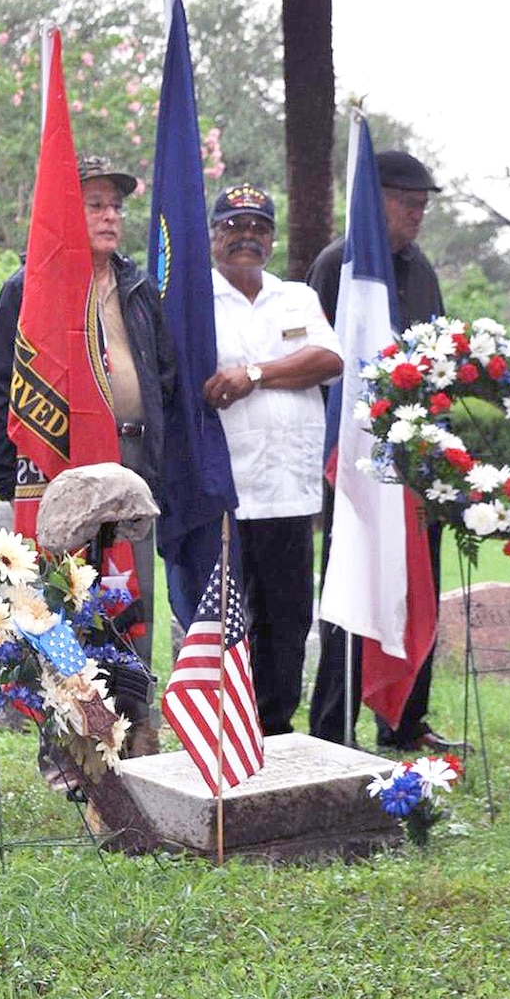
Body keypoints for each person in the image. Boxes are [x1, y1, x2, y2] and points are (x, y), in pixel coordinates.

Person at [0, 155, 174, 756]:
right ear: (67, 211)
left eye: (116, 205)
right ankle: (72, 745)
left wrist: (159, 466)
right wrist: (13, 481)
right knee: (63, 609)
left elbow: (163, 375)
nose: (111, 215)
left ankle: (136, 732)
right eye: (96, 204)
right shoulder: (30, 285)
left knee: (130, 600)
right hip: (59, 474)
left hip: (132, 465)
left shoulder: (138, 287)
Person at [307, 150, 457, 751]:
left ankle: (404, 723)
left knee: (417, 586)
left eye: (423, 204)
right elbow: (322, 363)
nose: (417, 213)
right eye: (406, 201)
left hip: (417, 463)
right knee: (351, 589)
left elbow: (439, 357)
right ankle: (333, 728)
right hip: (354, 462)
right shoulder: (337, 264)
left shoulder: (421, 269)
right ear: (374, 200)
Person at [203, 183, 342, 736]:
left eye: (259, 227)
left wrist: (255, 374)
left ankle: (278, 727)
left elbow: (327, 358)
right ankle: (230, 729)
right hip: (230, 484)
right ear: (213, 236)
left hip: (290, 485)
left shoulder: (295, 297)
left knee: (289, 619)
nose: (247, 237)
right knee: (233, 617)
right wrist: (281, 367)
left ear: (273, 238)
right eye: (234, 226)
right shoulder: (194, 299)